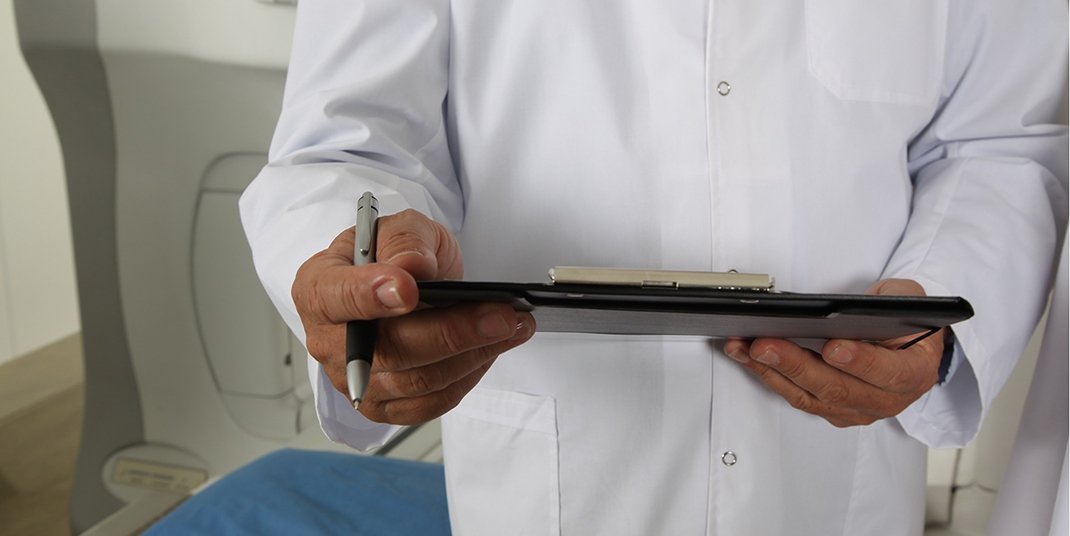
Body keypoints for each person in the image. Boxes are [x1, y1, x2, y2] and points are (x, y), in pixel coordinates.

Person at [239, 1, 1068, 534]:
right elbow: (350, 143)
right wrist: (361, 270)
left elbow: (999, 146)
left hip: (830, 477)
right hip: (562, 480)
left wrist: (927, 319)